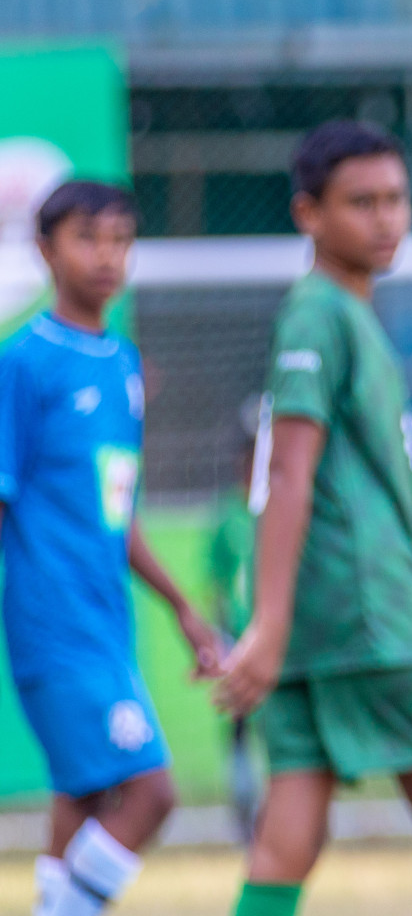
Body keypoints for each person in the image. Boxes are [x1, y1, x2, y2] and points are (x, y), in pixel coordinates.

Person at [216, 121, 412, 916]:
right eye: (361, 202)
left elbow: (367, 497)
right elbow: (287, 470)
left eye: (396, 199)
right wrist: (268, 624)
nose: (385, 218)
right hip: (366, 619)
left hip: (338, 615)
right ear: (308, 214)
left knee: (289, 836)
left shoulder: (347, 316)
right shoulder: (320, 315)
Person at [0, 180, 222, 916]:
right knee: (150, 792)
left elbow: (115, 509)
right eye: (87, 238)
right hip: (53, 622)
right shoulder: (23, 361)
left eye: (121, 239)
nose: (106, 255)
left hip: (108, 620)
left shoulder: (122, 363)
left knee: (86, 793)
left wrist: (183, 608)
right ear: (44, 249)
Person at [205, 411, 260, 844]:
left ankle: (285, 813)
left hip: (283, 645)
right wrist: (224, 640)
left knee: (287, 728)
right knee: (240, 729)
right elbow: (217, 585)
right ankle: (244, 813)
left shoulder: (286, 509)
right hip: (241, 644)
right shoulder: (229, 517)